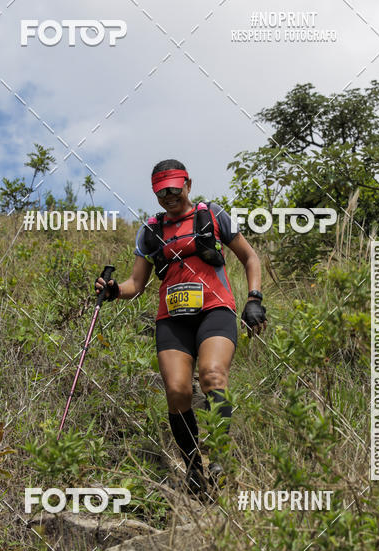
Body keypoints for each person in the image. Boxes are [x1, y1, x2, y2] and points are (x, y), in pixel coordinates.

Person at [95, 159, 267, 498]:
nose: (169, 196)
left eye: (174, 188)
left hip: (215, 311)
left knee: (213, 375)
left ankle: (219, 457)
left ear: (188, 183)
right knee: (177, 391)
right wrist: (114, 290)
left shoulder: (213, 216)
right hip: (172, 319)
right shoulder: (150, 230)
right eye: (161, 191)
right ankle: (193, 469)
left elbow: (251, 258)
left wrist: (254, 298)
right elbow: (136, 284)